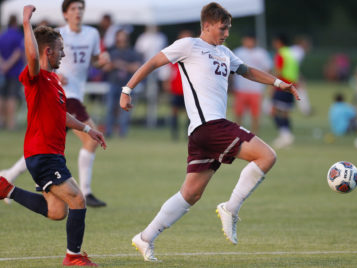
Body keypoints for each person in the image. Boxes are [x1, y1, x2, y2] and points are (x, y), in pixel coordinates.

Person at [119, 2, 299, 262]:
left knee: (191, 193)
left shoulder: (224, 52)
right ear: (207, 25)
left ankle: (145, 238)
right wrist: (127, 90)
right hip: (211, 126)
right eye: (222, 28)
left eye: (228, 28)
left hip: (202, 132)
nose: (226, 33)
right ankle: (230, 208)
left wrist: (278, 82)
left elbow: (246, 70)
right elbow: (153, 62)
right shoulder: (188, 45)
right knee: (267, 156)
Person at [0, 5, 106, 266]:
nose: (64, 54)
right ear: (48, 51)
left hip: (51, 154)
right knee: (77, 198)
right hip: (42, 154)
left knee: (56, 211)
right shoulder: (36, 77)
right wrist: (27, 23)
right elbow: (31, 56)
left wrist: (88, 129)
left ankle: (8, 189)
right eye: (60, 50)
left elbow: (61, 116)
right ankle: (73, 257)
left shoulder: (53, 82)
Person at [0, 0, 110, 207]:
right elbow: (39, 60)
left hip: (76, 93)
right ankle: (86, 191)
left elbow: (93, 61)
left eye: (81, 9)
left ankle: (8, 177)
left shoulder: (92, 34)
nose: (78, 12)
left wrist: (101, 61)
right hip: (63, 95)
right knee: (90, 139)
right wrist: (55, 76)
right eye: (74, 9)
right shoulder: (56, 35)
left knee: (45, 147)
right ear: (65, 14)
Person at [103, 29, 141, 137]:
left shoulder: (132, 53)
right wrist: (113, 64)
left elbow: (137, 68)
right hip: (114, 83)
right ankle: (109, 131)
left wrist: (123, 65)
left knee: (125, 110)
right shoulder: (112, 52)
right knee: (110, 108)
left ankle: (122, 133)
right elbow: (105, 67)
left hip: (127, 85)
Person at [232, 33, 272, 134]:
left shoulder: (261, 53)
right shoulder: (238, 52)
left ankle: (254, 135)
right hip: (240, 88)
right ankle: (237, 135)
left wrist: (269, 85)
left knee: (255, 115)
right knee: (238, 113)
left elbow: (268, 69)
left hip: (256, 89)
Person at [0, 14, 24, 130]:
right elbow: (18, 53)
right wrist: (8, 65)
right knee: (12, 97)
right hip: (14, 72)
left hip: (1, 71)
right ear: (16, 23)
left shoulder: (1, 36)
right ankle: (11, 124)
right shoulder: (18, 36)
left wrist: (1, 65)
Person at [271, 33, 299, 149]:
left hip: (281, 86)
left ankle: (284, 135)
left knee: (273, 111)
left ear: (279, 42)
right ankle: (287, 135)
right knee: (285, 112)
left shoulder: (281, 54)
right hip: (291, 85)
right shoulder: (292, 54)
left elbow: (278, 72)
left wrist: (271, 87)